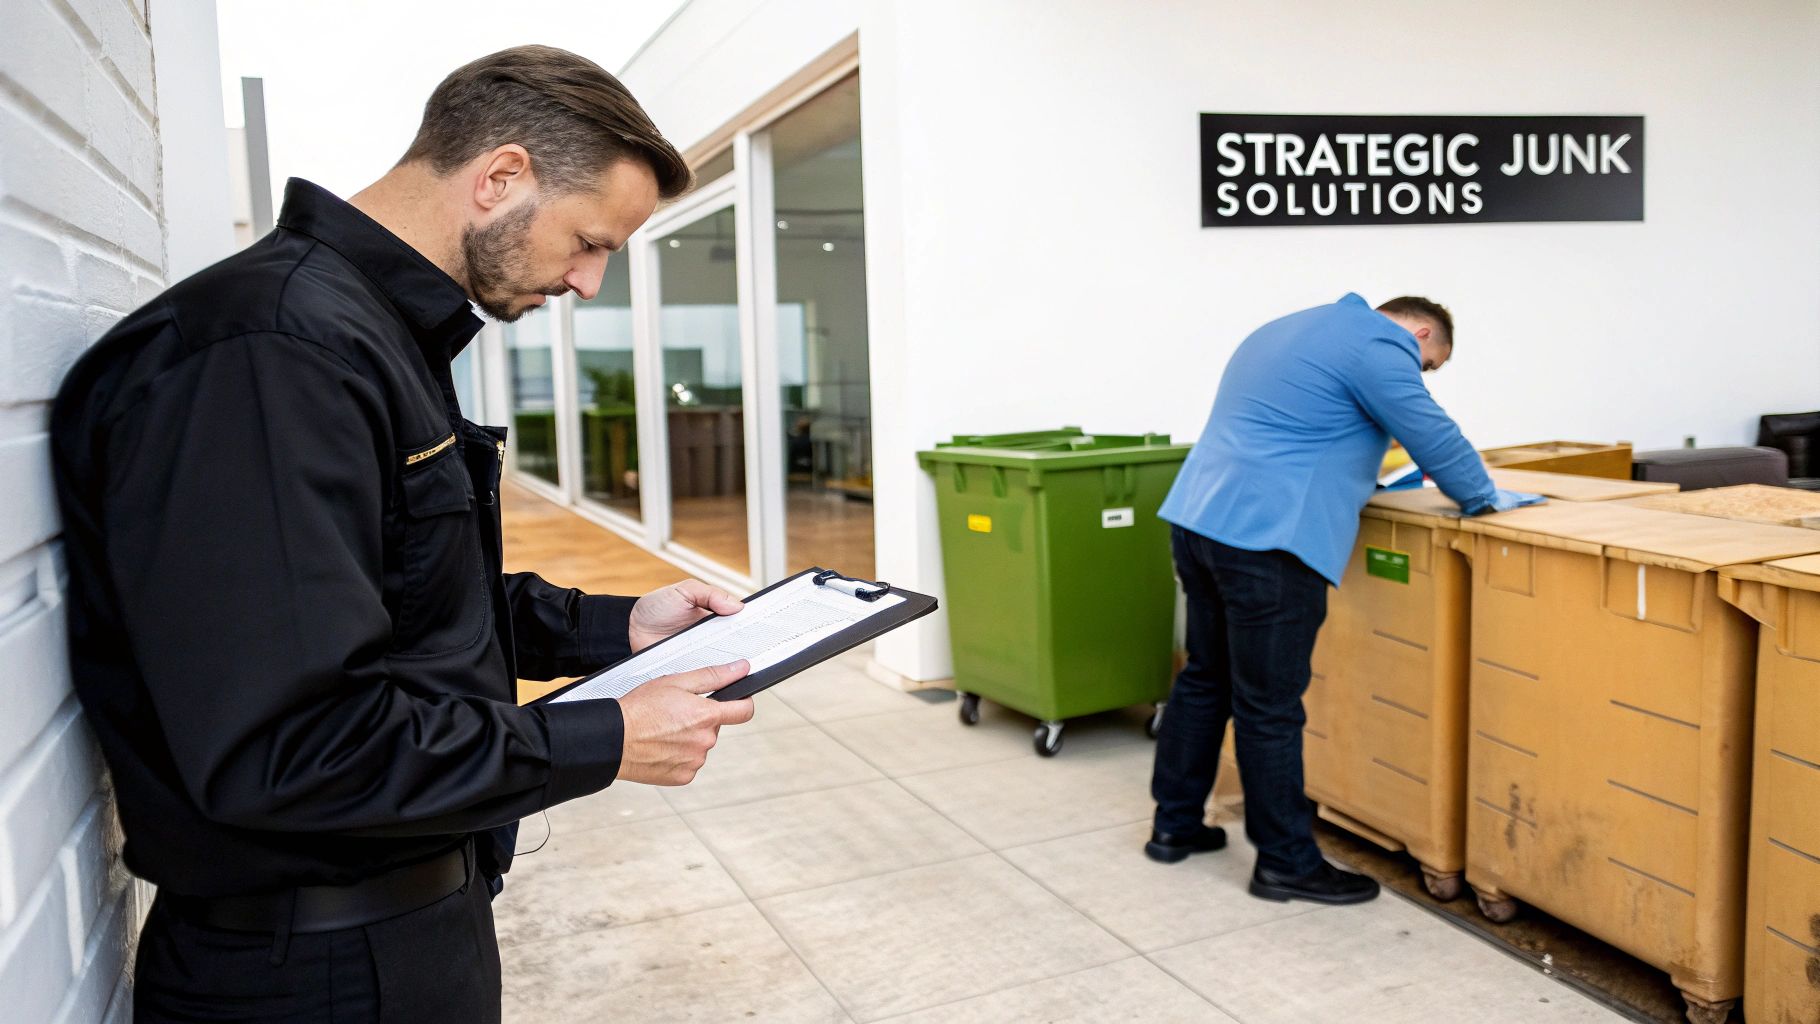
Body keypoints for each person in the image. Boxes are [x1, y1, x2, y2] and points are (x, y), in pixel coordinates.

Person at [50, 46, 754, 1022]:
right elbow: (296, 747)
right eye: (590, 240)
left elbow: (406, 598)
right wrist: (602, 735)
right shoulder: (270, 355)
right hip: (314, 972)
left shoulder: (364, 333)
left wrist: (618, 626)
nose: (590, 282)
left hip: (400, 931)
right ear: (499, 176)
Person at [1144, 293, 1539, 903]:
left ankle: (1173, 826)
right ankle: (1285, 863)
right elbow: (1430, 430)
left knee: (1205, 678)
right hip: (1268, 540)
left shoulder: (1287, 326)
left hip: (1200, 520)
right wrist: (1484, 498)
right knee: (1268, 707)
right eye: (1430, 363)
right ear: (1424, 332)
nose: (1422, 371)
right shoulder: (1380, 345)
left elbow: (1298, 426)